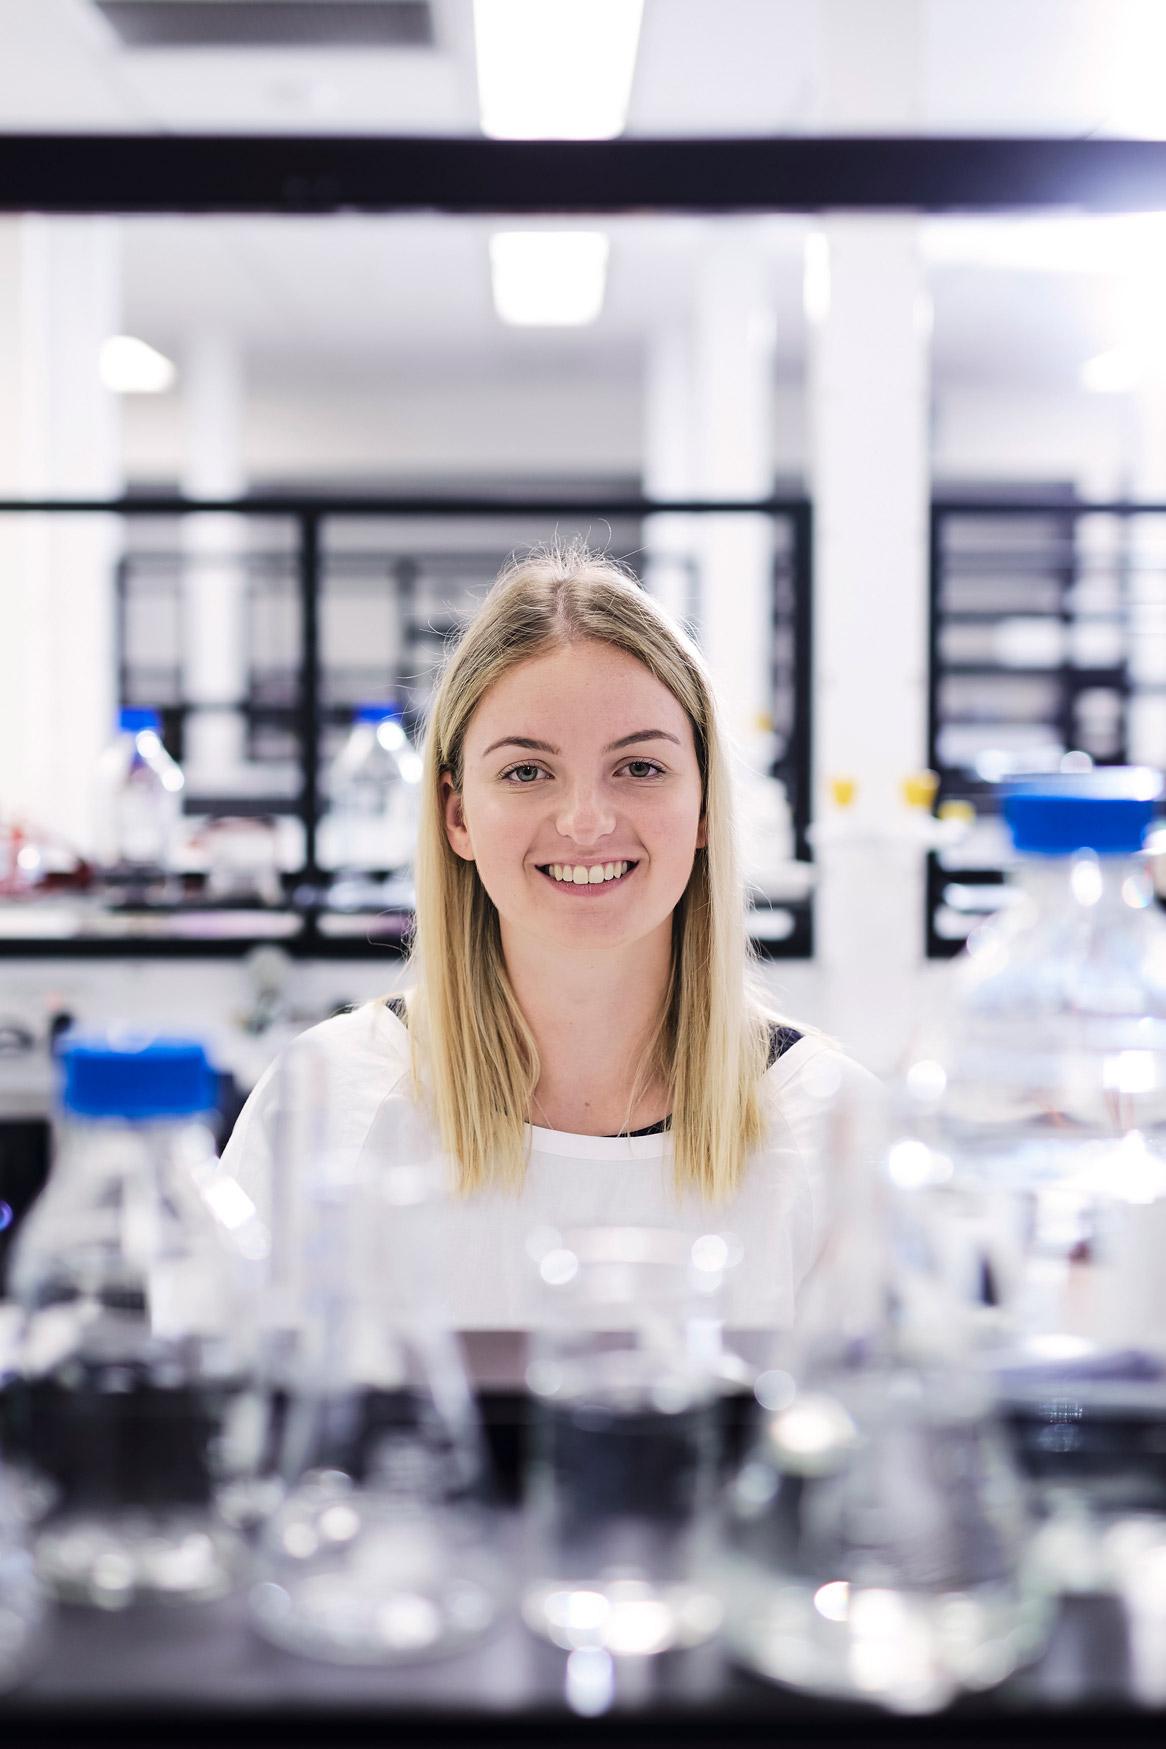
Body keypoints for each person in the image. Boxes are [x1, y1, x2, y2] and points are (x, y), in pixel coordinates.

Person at [221, 540, 875, 1327]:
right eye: (527, 772)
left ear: (705, 806)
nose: (585, 820)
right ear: (457, 815)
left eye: (639, 767)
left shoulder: (832, 1127)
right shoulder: (324, 1103)